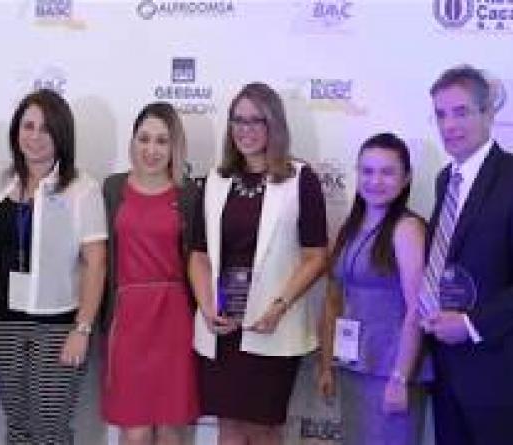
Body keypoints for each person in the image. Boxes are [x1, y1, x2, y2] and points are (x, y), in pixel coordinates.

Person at [189, 82, 328, 445]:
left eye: (255, 120)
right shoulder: (216, 180)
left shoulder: (300, 179)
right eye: (238, 120)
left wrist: (279, 307)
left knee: (264, 428)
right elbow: (199, 255)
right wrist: (206, 307)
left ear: (274, 124)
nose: (245, 129)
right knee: (229, 424)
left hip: (272, 323)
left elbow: (316, 256)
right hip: (223, 326)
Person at [0, 89, 107, 445]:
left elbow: (96, 263)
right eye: (28, 126)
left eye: (45, 128)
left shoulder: (82, 189)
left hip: (59, 327)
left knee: (51, 430)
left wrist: (82, 329)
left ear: (61, 134)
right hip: (2, 324)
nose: (34, 136)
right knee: (18, 427)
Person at [318, 133, 432, 445]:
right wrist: (327, 364)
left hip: (392, 371)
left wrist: (401, 377)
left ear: (406, 178)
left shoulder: (408, 229)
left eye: (387, 172)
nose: (375, 181)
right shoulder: (350, 227)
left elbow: (417, 309)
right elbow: (333, 299)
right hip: (353, 365)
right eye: (367, 171)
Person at [420, 64, 513, 445]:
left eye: (461, 112)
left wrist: (473, 325)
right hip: (445, 370)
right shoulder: (445, 179)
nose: (449, 126)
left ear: (488, 113)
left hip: (498, 374)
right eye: (441, 114)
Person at [101, 102, 199, 445]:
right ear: (132, 141)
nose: (151, 150)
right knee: (135, 431)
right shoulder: (113, 189)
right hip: (127, 319)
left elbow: (198, 260)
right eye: (144, 139)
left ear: (174, 147)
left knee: (171, 428)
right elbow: (97, 258)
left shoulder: (189, 194)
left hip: (174, 320)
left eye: (161, 141)